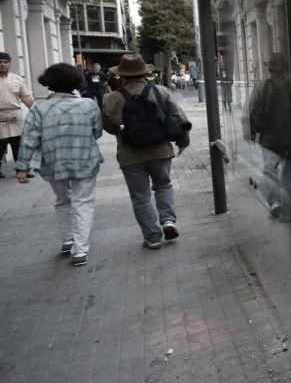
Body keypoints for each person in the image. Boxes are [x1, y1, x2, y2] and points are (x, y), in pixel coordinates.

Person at [15, 64, 103, 267]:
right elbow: (96, 132)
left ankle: (67, 240)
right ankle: (80, 250)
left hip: (53, 162)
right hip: (85, 159)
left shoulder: (39, 108)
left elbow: (29, 139)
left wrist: (22, 167)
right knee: (83, 202)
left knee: (62, 200)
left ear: (49, 83)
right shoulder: (88, 105)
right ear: (76, 82)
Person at [102, 54, 191, 250]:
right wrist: (183, 141)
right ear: (145, 73)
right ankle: (168, 221)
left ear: (122, 76)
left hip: (130, 154)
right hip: (160, 150)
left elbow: (108, 126)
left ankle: (152, 237)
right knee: (163, 185)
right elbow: (178, 118)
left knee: (140, 196)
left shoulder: (112, 98)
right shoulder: (160, 91)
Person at [248, 53, 291, 220]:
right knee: (290, 173)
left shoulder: (262, 87)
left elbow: (253, 112)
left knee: (270, 172)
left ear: (269, 69)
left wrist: (253, 133)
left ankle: (275, 202)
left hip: (269, 140)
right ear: (286, 69)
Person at [0, 52, 34, 178]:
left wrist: (37, 113)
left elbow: (27, 98)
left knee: (19, 146)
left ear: (9, 63)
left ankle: (23, 170)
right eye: (0, 62)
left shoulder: (17, 79)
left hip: (15, 117)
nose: (2, 64)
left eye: (5, 62)